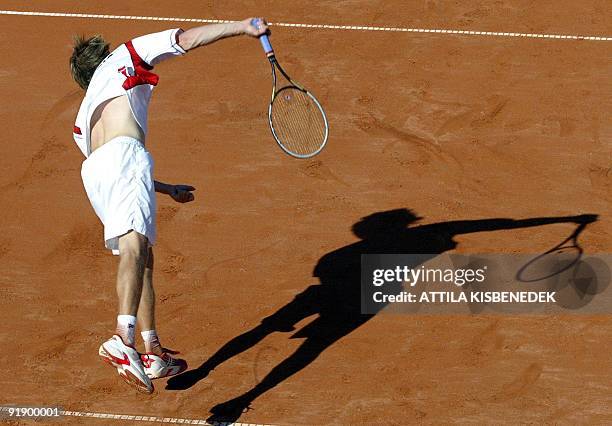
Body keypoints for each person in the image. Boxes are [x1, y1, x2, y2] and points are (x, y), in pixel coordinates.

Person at [69, 18, 269, 394]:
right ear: (104, 55)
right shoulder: (125, 54)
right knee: (134, 247)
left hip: (95, 172)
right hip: (125, 159)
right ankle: (122, 339)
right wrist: (243, 26)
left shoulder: (83, 115)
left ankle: (153, 351)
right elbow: (188, 39)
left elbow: (108, 165)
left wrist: (164, 188)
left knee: (143, 255)